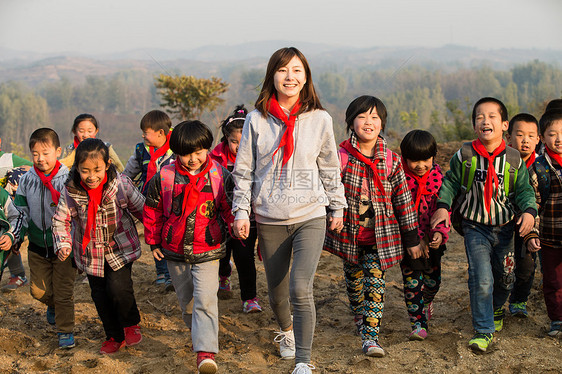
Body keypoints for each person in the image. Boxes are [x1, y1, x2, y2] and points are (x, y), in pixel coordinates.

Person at [231, 47, 347, 374]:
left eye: (296, 70)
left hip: (311, 214)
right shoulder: (256, 120)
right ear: (272, 76)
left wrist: (337, 205)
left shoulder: (320, 119)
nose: (290, 77)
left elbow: (328, 166)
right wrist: (242, 211)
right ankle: (286, 332)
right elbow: (243, 171)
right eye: (282, 70)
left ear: (306, 77)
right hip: (269, 218)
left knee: (300, 288)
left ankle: (303, 361)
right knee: (278, 293)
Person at [430, 97, 538, 353]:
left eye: (492, 116)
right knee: (481, 278)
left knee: (505, 278)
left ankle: (497, 307)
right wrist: (443, 207)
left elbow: (524, 190)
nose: (485, 121)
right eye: (480, 117)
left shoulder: (513, 159)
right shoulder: (464, 155)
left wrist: (530, 212)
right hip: (475, 227)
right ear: (474, 125)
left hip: (506, 227)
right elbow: (450, 183)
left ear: (504, 125)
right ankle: (483, 329)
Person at [324, 95, 421, 358]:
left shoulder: (392, 160)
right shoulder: (340, 156)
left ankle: (371, 337)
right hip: (348, 237)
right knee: (354, 285)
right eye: (362, 116)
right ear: (351, 122)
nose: (369, 122)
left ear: (382, 124)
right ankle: (359, 315)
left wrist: (411, 238)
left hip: (381, 237)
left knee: (376, 286)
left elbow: (402, 200)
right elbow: (328, 191)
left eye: (375, 117)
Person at [143, 120, 235, 374]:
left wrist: (237, 227)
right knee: (187, 305)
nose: (193, 159)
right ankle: (200, 334)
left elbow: (228, 207)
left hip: (208, 248)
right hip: (174, 251)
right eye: (186, 154)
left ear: (207, 148)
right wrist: (153, 241)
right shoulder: (165, 176)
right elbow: (152, 210)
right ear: (176, 153)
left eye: (198, 152)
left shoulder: (219, 175)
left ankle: (206, 354)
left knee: (205, 300)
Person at [52, 138, 145, 354]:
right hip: (90, 254)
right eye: (85, 171)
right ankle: (114, 335)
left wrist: (155, 235)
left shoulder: (120, 184)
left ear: (108, 164)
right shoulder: (71, 191)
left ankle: (131, 322)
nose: (91, 176)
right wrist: (63, 243)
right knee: (100, 296)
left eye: (97, 170)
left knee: (118, 289)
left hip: (119, 249)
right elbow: (60, 220)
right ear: (77, 168)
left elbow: (142, 208)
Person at [14, 128, 76, 349]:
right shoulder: (27, 179)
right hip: (38, 247)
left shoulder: (68, 179)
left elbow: (77, 213)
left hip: (64, 248)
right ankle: (52, 305)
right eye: (35, 154)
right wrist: (17, 236)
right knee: (38, 291)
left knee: (63, 293)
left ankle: (65, 331)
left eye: (45, 153)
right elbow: (20, 211)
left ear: (58, 151)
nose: (40, 158)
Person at [210, 105, 262, 313]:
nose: (238, 147)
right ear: (225, 138)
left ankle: (249, 298)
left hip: (247, 217)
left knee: (244, 255)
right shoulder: (214, 159)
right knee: (221, 254)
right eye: (234, 142)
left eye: (243, 142)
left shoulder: (257, 159)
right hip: (219, 217)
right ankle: (224, 274)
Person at [399, 129, 449, 341]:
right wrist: (414, 238)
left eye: (425, 160)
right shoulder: (399, 181)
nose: (420, 166)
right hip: (409, 243)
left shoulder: (440, 180)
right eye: (414, 161)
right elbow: (398, 213)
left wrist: (438, 234)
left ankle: (428, 300)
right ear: (404, 159)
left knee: (432, 282)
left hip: (433, 243)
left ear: (433, 157)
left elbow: (444, 210)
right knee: (412, 284)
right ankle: (418, 324)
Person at [123, 110, 175, 290]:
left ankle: (172, 274)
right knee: (155, 236)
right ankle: (162, 272)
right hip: (150, 202)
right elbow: (128, 174)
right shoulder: (141, 151)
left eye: (146, 132)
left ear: (161, 133)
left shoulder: (176, 148)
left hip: (172, 202)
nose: (143, 135)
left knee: (172, 236)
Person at [527, 108, 562, 337]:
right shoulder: (538, 168)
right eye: (552, 134)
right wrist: (532, 233)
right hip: (550, 237)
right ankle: (557, 320)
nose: (558, 139)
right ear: (542, 137)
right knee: (553, 281)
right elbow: (533, 204)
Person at [505, 113, 541, 318]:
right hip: (504, 223)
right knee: (502, 265)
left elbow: (539, 203)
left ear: (538, 139)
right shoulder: (503, 161)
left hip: (531, 226)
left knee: (527, 264)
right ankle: (498, 300)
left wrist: (533, 231)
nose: (525, 140)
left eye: (530, 135)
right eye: (519, 135)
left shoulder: (541, 166)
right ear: (508, 137)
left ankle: (519, 300)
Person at [0, 137, 31, 292]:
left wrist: (16, 176)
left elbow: (33, 167)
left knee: (11, 240)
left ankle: (18, 275)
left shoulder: (9, 159)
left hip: (10, 209)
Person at [60, 113, 124, 172]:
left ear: (96, 131)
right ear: (74, 131)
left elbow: (120, 169)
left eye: (89, 131)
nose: (86, 135)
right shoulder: (69, 150)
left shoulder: (106, 148)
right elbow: (62, 171)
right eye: (81, 131)